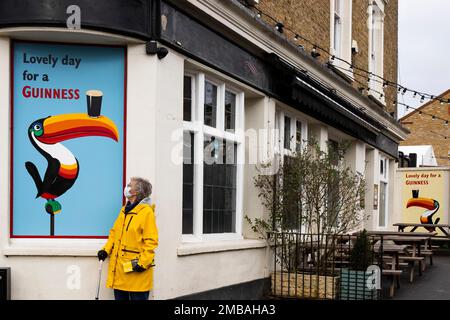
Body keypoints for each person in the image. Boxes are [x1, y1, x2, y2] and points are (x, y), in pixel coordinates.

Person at [97, 177, 158, 300]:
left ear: (136, 192)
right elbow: (114, 233)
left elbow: (151, 241)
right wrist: (106, 250)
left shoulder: (146, 213)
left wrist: (142, 263)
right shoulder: (124, 210)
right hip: (120, 272)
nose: (126, 187)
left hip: (137, 272)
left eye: (129, 185)